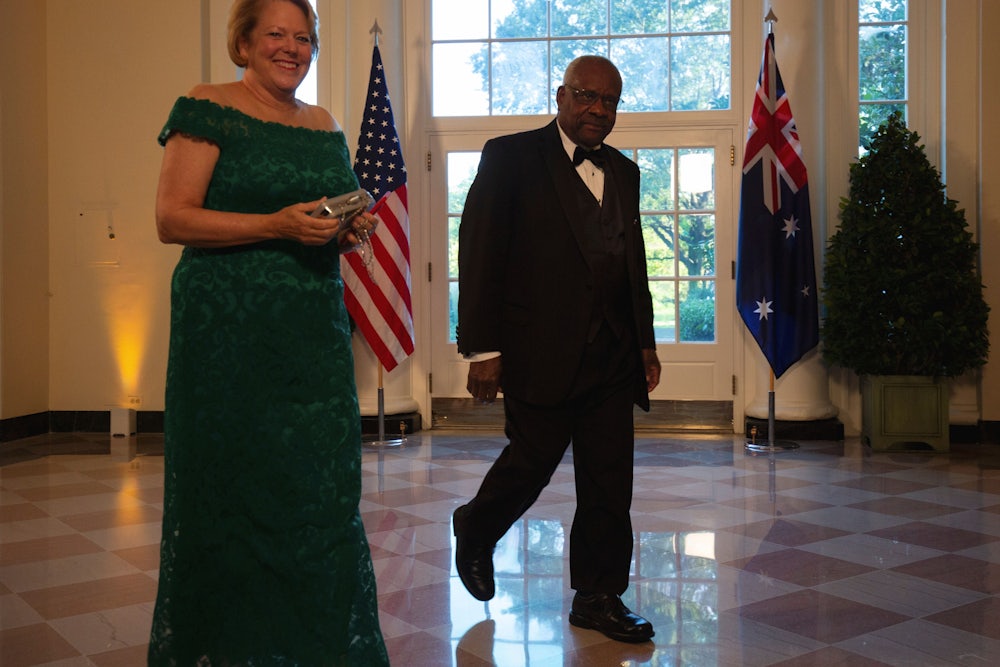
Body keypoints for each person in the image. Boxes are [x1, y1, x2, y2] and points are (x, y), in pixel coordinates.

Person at [147, 1, 389, 664]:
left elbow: (337, 210)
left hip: (312, 339)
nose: (291, 48)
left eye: (303, 37)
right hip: (225, 340)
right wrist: (275, 225)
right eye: (276, 35)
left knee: (320, 494)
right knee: (231, 495)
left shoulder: (324, 123)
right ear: (245, 41)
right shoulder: (207, 104)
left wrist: (349, 226)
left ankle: (310, 646)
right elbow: (173, 219)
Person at [454, 55, 661, 644]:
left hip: (614, 355)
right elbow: (480, 253)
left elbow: (632, 264)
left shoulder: (623, 170)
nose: (598, 109)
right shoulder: (510, 157)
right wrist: (482, 349)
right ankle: (477, 525)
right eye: (586, 97)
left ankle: (598, 595)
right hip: (537, 350)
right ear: (562, 95)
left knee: (608, 481)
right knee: (529, 466)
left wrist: (644, 341)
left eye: (610, 101)